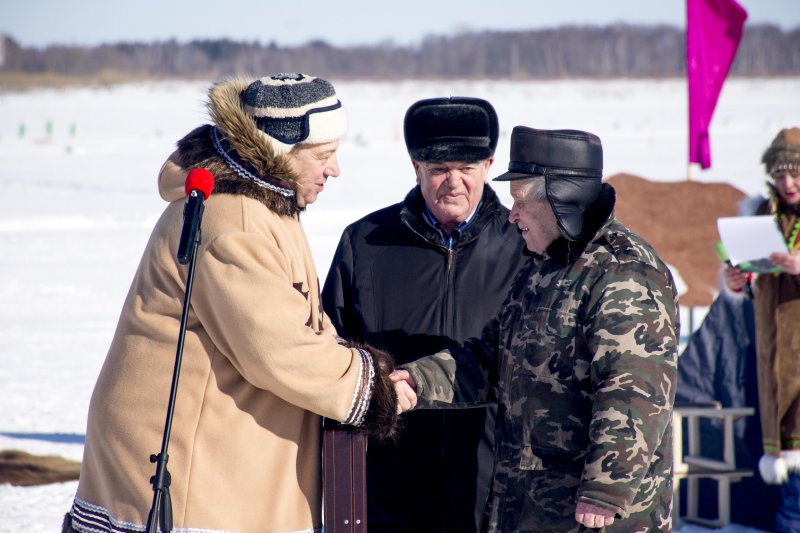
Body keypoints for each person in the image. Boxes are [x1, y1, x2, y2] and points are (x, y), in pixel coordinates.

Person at [62, 73, 399, 533]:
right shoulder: (235, 220)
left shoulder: (264, 204)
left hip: (215, 444)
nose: (334, 170)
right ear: (281, 153)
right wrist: (370, 387)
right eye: (323, 156)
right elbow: (277, 348)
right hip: (188, 461)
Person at [393, 126, 681, 532]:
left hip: (593, 518)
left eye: (521, 202)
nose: (511, 216)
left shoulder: (622, 272)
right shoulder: (544, 264)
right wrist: (416, 381)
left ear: (562, 199)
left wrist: (605, 491)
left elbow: (634, 390)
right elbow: (492, 357)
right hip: (525, 507)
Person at [322, 97, 526, 532]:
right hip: (392, 483)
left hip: (495, 482)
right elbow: (330, 356)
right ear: (415, 167)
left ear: (489, 165)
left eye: (466, 168)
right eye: (438, 169)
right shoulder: (366, 245)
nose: (453, 183)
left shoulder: (525, 245)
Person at [724, 127, 800, 532]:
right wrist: (739, 283)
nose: (786, 183)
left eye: (795, 173)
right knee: (788, 500)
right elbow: (755, 282)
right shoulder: (763, 215)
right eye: (780, 174)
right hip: (775, 364)